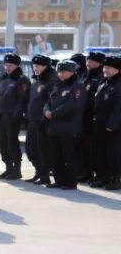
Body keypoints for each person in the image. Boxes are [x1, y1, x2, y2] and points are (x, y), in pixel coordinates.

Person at [44, 60, 85, 190]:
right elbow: (48, 101)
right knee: (56, 155)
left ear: (72, 72)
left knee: (69, 155)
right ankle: (59, 180)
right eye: (59, 71)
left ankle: (71, 182)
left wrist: (53, 113)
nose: (61, 74)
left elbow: (72, 105)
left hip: (69, 127)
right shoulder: (56, 85)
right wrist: (46, 111)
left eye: (64, 71)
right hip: (54, 127)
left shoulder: (77, 87)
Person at [25, 55, 58, 185]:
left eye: (38, 66)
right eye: (34, 66)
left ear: (46, 67)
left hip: (43, 121)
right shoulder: (36, 80)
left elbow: (50, 101)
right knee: (30, 148)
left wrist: (43, 117)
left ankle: (45, 175)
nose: (35, 69)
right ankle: (38, 171)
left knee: (42, 150)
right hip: (32, 119)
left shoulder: (51, 80)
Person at [0, 53, 30, 180]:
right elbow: (0, 97)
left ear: (17, 65)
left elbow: (22, 100)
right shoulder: (4, 78)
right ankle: (8, 167)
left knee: (12, 143)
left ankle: (17, 169)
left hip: (13, 116)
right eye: (5, 65)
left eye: (10, 65)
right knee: (2, 143)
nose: (7, 68)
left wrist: (16, 116)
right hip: (3, 115)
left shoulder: (21, 80)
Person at [91, 56, 121, 189]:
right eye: (105, 67)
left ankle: (116, 179)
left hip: (114, 126)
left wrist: (112, 124)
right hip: (100, 123)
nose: (105, 70)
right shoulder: (105, 81)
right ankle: (103, 177)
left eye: (109, 68)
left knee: (114, 154)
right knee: (100, 152)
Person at [81, 52, 105, 183]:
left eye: (91, 61)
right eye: (87, 60)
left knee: (94, 149)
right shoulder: (85, 76)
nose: (88, 63)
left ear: (99, 63)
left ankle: (98, 174)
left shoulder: (101, 77)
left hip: (93, 118)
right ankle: (86, 172)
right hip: (82, 118)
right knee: (84, 147)